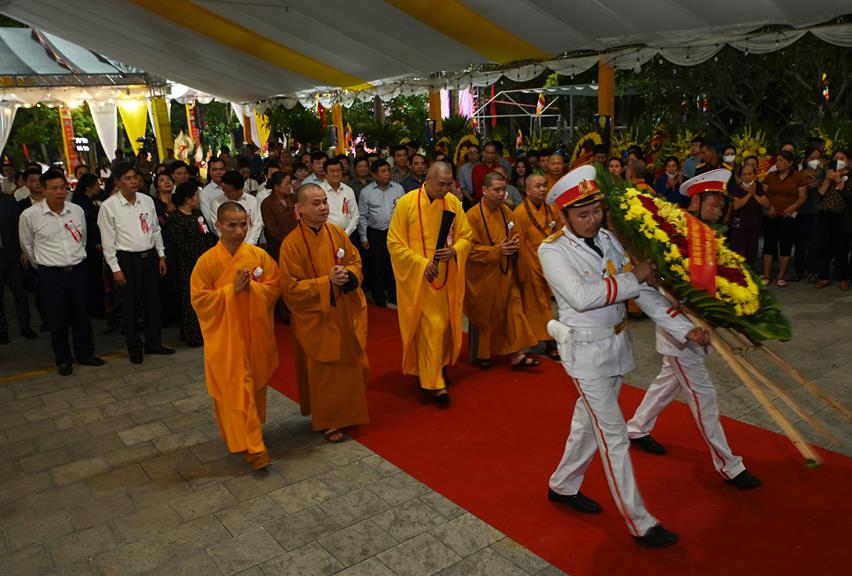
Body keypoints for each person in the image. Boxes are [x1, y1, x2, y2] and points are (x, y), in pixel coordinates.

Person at [540, 165, 710, 548]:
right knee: (613, 434)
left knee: (588, 424)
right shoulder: (551, 251)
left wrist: (685, 328)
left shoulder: (609, 239)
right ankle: (641, 522)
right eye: (582, 214)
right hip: (584, 353)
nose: (592, 219)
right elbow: (583, 297)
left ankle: (563, 485)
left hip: (615, 348)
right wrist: (637, 276)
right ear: (563, 215)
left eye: (596, 210)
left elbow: (643, 293)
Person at [627, 169, 762, 490]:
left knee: (667, 383)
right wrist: (684, 324)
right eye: (714, 204)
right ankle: (729, 464)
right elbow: (656, 288)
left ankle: (636, 428)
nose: (720, 211)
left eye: (721, 206)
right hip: (679, 334)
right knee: (704, 397)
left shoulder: (706, 235)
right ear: (696, 201)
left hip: (697, 329)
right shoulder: (673, 236)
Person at [278, 183, 370, 442]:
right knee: (325, 372)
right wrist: (326, 282)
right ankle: (330, 421)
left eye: (324, 202)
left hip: (343, 310)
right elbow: (290, 288)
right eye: (315, 203)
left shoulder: (336, 232)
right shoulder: (291, 244)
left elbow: (355, 261)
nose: (322, 207)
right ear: (299, 209)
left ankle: (350, 413)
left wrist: (348, 275)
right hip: (316, 317)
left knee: (354, 365)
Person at [191, 201, 280, 469]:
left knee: (252, 388)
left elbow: (274, 287)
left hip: (254, 333)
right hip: (226, 339)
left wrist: (253, 289)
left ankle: (244, 437)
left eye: (243, 224)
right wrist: (232, 291)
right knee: (236, 386)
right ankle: (255, 446)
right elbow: (199, 301)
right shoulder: (206, 262)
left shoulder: (258, 256)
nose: (239, 230)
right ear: (218, 225)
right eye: (232, 225)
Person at [387, 161, 472, 406]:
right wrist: (421, 263)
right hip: (418, 280)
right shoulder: (407, 203)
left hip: (447, 279)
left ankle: (435, 370)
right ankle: (434, 385)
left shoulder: (454, 203)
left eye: (449, 184)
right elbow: (394, 243)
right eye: (441, 184)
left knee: (443, 328)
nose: (446, 189)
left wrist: (455, 250)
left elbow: (466, 236)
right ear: (428, 179)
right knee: (430, 329)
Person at [19, 169, 104, 375]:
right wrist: (42, 265)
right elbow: (27, 246)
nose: (59, 192)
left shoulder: (76, 210)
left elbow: (82, 239)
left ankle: (85, 353)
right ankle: (63, 358)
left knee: (82, 314)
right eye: (54, 188)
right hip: (51, 274)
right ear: (44, 190)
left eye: (62, 187)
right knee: (58, 318)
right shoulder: (30, 215)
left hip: (77, 270)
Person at [97, 163, 173, 363]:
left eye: (135, 177)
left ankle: (154, 343)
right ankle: (134, 348)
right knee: (130, 307)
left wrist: (162, 255)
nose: (134, 181)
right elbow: (108, 242)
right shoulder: (109, 206)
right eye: (128, 178)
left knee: (153, 303)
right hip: (126, 260)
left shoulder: (147, 201)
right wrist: (116, 269)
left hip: (149, 258)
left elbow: (155, 229)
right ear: (117, 182)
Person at [465, 171, 538, 368]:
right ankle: (483, 354)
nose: (501, 194)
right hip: (484, 277)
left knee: (514, 310)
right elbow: (468, 249)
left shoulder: (506, 212)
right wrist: (498, 250)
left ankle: (517, 354)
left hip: (506, 272)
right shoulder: (472, 216)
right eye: (496, 190)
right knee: (487, 316)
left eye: (503, 189)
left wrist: (513, 244)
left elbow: (516, 234)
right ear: (484, 190)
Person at [512, 173, 559, 360]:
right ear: (527, 190)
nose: (542, 189)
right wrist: (523, 271)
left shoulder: (552, 209)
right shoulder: (519, 212)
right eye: (537, 186)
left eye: (544, 186)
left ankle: (544, 339)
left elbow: (558, 234)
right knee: (536, 305)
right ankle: (548, 341)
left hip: (551, 263)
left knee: (546, 303)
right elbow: (519, 243)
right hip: (530, 263)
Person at [165, 182, 217, 346]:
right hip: (188, 264)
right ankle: (193, 335)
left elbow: (207, 234)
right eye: (196, 195)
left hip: (206, 261)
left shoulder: (197, 214)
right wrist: (200, 256)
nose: (198, 198)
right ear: (188, 199)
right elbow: (180, 244)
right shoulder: (175, 219)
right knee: (190, 300)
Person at [358, 160, 405, 308]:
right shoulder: (366, 192)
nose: (387, 174)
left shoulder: (398, 188)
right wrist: (364, 237)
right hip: (375, 233)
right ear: (374, 175)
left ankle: (394, 295)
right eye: (382, 171)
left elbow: (404, 212)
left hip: (395, 233)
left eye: (388, 170)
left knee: (394, 265)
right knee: (377, 266)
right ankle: (379, 296)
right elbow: (362, 216)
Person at [762, 150, 807, 286]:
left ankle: (781, 276)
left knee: (785, 245)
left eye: (782, 160)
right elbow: (763, 193)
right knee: (769, 245)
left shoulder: (798, 177)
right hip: (771, 215)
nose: (778, 163)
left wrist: (792, 207)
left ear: (790, 162)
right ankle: (766, 275)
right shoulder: (770, 176)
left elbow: (803, 197)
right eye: (777, 160)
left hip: (788, 216)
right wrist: (769, 206)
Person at [0, 191, 34, 343]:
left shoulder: (8, 201)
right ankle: (2, 331)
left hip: (11, 255)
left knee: (20, 293)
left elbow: (18, 227)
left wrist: (23, 251)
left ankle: (25, 327)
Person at [72, 173, 106, 318]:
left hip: (94, 244)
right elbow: (86, 226)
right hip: (90, 247)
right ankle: (95, 308)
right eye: (96, 184)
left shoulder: (91, 201)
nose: (99, 187)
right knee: (94, 279)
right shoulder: (82, 203)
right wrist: (95, 243)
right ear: (88, 187)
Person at [815, 150, 850, 290]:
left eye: (842, 158)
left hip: (842, 215)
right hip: (825, 214)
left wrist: (838, 179)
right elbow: (820, 193)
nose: (839, 160)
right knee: (823, 246)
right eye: (836, 158)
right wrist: (828, 179)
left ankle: (842, 278)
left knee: (841, 247)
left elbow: (847, 194)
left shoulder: (850, 175)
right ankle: (823, 277)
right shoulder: (826, 172)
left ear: (847, 161)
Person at [729, 163, 768, 268]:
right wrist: (749, 194)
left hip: (754, 225)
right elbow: (736, 206)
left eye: (750, 174)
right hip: (740, 226)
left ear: (754, 176)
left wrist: (754, 194)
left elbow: (767, 204)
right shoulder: (737, 189)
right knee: (739, 251)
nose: (747, 177)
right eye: (744, 174)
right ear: (741, 177)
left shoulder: (758, 187)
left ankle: (751, 274)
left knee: (752, 250)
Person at [211, 170, 264, 245]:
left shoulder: (253, 201)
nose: (225, 194)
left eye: (228, 191)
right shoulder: (217, 202)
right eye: (224, 190)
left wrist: (248, 244)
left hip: (249, 245)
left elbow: (257, 224)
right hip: (227, 246)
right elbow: (218, 228)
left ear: (240, 189)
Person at [154, 172, 179, 326]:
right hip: (163, 246)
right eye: (162, 180)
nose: (167, 182)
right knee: (166, 282)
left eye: (169, 179)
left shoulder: (178, 201)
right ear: (157, 185)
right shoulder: (154, 204)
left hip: (179, 245)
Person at [796, 147, 823, 282]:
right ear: (806, 160)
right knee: (801, 242)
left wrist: (818, 184)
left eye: (818, 158)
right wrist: (807, 185)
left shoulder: (823, 174)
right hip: (802, 212)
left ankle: (812, 270)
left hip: (817, 213)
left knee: (815, 243)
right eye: (812, 158)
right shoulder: (800, 174)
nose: (815, 161)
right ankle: (799, 270)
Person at [260, 172, 298, 264]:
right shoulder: (267, 203)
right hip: (279, 247)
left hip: (299, 242)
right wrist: (289, 242)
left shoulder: (294, 198)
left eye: (290, 183)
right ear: (276, 186)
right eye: (287, 184)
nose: (290, 186)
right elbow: (272, 230)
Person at [320, 158, 359, 239]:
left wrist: (345, 234)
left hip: (348, 235)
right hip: (326, 236)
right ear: (325, 173)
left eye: (338, 171)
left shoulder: (348, 190)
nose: (336, 174)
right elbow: (317, 216)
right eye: (332, 171)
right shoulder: (319, 191)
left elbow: (355, 216)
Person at [201, 157, 226, 228]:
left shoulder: (233, 187)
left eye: (222, 169)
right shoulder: (205, 193)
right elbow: (209, 219)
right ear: (209, 172)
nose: (219, 172)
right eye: (214, 170)